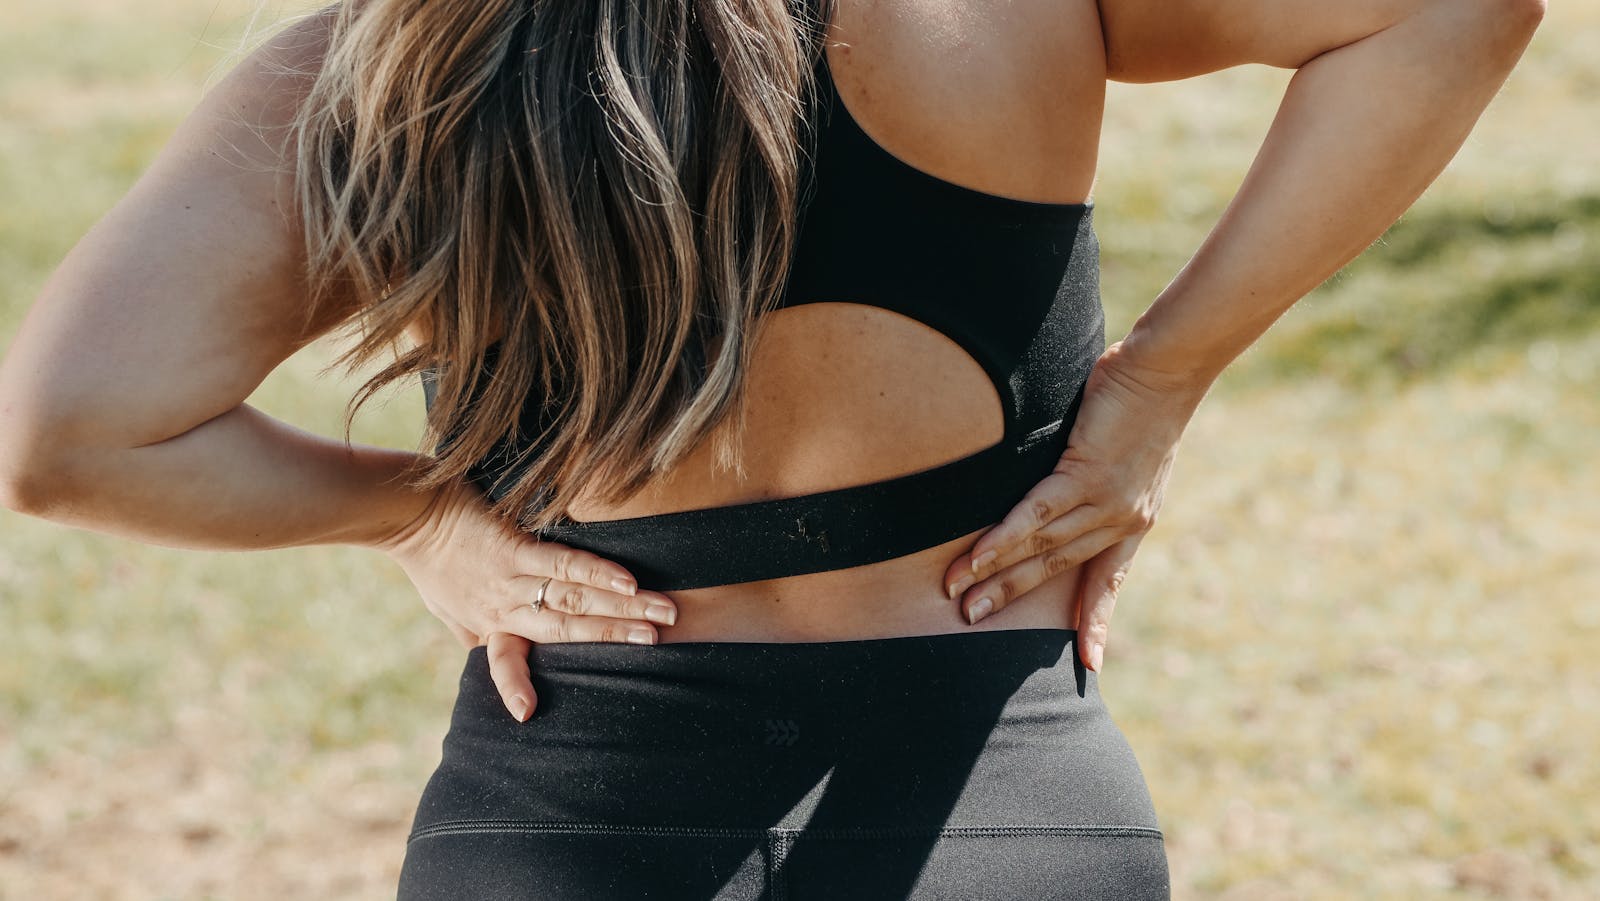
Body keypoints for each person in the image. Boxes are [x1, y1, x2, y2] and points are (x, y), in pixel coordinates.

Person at [0, 0, 1542, 897]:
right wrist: (1158, 384)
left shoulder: (389, 63)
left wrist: (413, 517)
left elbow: (69, 435)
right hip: (1004, 813)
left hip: (572, 827)